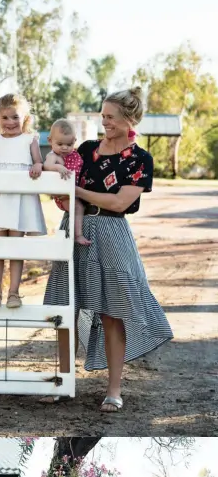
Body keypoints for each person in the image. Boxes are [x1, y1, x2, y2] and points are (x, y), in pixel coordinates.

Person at [43, 87, 173, 412]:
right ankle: (62, 384)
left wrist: (78, 191)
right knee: (65, 306)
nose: (105, 122)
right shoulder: (86, 149)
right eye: (102, 116)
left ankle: (114, 390)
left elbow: (119, 201)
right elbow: (62, 178)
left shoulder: (141, 160)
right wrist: (61, 192)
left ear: (129, 119)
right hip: (74, 228)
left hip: (112, 233)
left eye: (110, 117)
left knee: (113, 313)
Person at [0, 93, 45, 309]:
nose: (10, 122)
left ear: (24, 118)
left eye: (15, 117)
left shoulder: (29, 140)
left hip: (19, 199)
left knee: (16, 246)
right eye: (5, 118)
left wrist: (37, 166)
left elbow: (38, 162)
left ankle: (14, 292)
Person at [43, 119, 90, 246]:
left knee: (80, 207)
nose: (64, 147)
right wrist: (58, 167)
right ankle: (77, 235)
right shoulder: (54, 156)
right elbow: (47, 166)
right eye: (60, 144)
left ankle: (73, 232)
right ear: (50, 141)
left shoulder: (74, 154)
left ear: (74, 141)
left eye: (69, 144)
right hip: (63, 194)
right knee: (78, 208)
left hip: (75, 191)